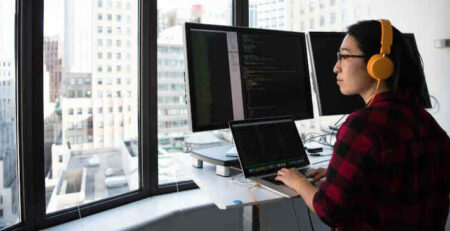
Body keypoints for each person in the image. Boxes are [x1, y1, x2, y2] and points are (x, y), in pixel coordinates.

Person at [275, 19, 450, 231]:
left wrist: (297, 181)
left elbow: (329, 210)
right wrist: (337, 176)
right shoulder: (427, 122)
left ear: (378, 64)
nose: (335, 67)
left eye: (345, 56)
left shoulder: (363, 126)